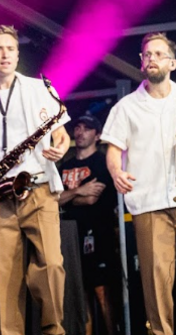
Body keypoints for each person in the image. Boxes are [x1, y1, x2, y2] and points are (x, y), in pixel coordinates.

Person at [102, 32, 176, 335]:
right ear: (141, 63)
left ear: (172, 63)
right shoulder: (126, 107)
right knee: (156, 282)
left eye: (158, 54)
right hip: (150, 204)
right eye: (147, 55)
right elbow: (113, 149)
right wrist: (116, 172)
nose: (152, 59)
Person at [0, 25, 71, 335]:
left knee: (51, 264)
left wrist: (61, 148)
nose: (5, 54)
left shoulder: (38, 89)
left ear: (18, 54)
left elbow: (61, 134)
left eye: (10, 49)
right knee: (3, 277)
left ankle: (53, 330)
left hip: (38, 187)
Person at [59, 114, 118, 335]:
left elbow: (92, 199)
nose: (80, 132)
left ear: (97, 135)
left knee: (102, 290)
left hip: (99, 233)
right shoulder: (65, 166)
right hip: (70, 234)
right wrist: (79, 191)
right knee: (79, 291)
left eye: (87, 128)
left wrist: (68, 198)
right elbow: (52, 199)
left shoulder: (102, 162)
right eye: (78, 127)